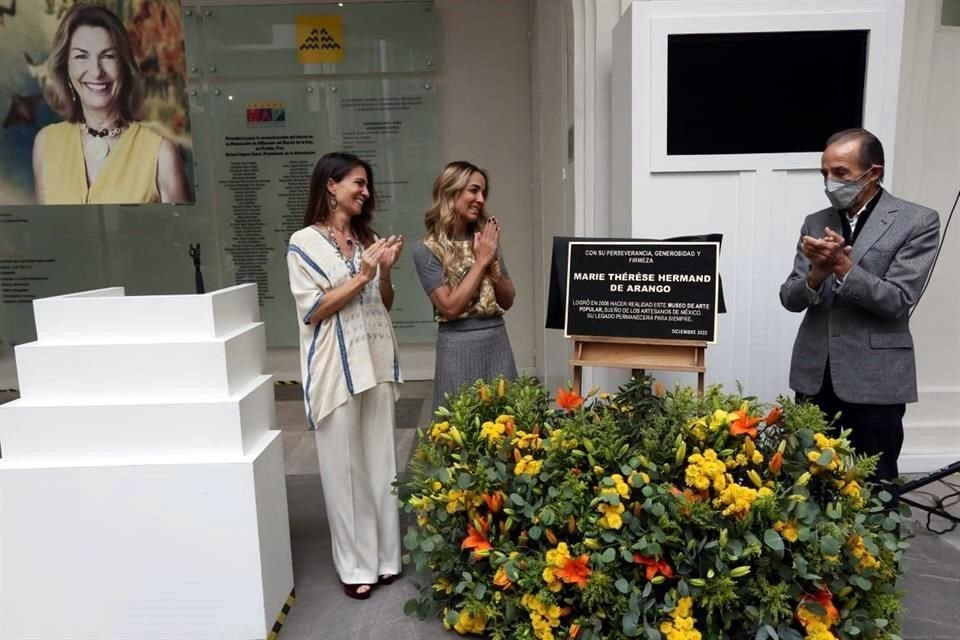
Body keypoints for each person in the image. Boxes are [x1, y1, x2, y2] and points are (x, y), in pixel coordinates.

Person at [780, 128, 940, 486]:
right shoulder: (815, 221)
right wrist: (816, 275)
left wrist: (843, 268)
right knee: (807, 483)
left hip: (875, 377)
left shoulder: (917, 221)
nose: (830, 182)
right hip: (814, 373)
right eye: (824, 173)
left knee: (873, 486)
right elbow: (790, 298)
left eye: (840, 173)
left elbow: (898, 299)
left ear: (873, 173)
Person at [286, 152, 404, 599]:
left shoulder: (366, 238)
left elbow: (382, 303)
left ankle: (386, 557)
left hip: (373, 360)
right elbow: (313, 310)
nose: (365, 192)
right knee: (345, 468)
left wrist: (384, 274)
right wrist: (362, 274)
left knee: (380, 464)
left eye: (368, 185)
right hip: (334, 369)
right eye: (358, 183)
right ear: (331, 185)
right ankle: (356, 566)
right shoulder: (303, 243)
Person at [32, 3, 190, 204]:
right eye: (81, 56)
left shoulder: (161, 153)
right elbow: (44, 233)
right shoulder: (45, 143)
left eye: (108, 56)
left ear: (124, 66)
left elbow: (185, 235)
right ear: (65, 67)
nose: (96, 72)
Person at [413, 161, 517, 412]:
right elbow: (449, 307)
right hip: (457, 347)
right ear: (451, 191)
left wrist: (491, 261)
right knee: (457, 429)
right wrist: (481, 261)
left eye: (483, 192)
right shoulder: (426, 248)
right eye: (473, 190)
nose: (480, 199)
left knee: (507, 428)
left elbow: (508, 299)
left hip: (496, 341)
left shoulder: (486, 240)